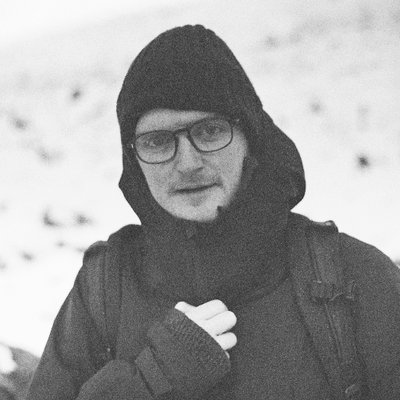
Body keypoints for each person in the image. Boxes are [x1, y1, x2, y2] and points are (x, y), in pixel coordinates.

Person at [27, 25, 400, 400]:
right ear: (133, 159)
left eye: (209, 131)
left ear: (250, 139)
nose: (188, 163)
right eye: (157, 141)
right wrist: (152, 379)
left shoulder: (354, 276)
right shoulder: (104, 290)